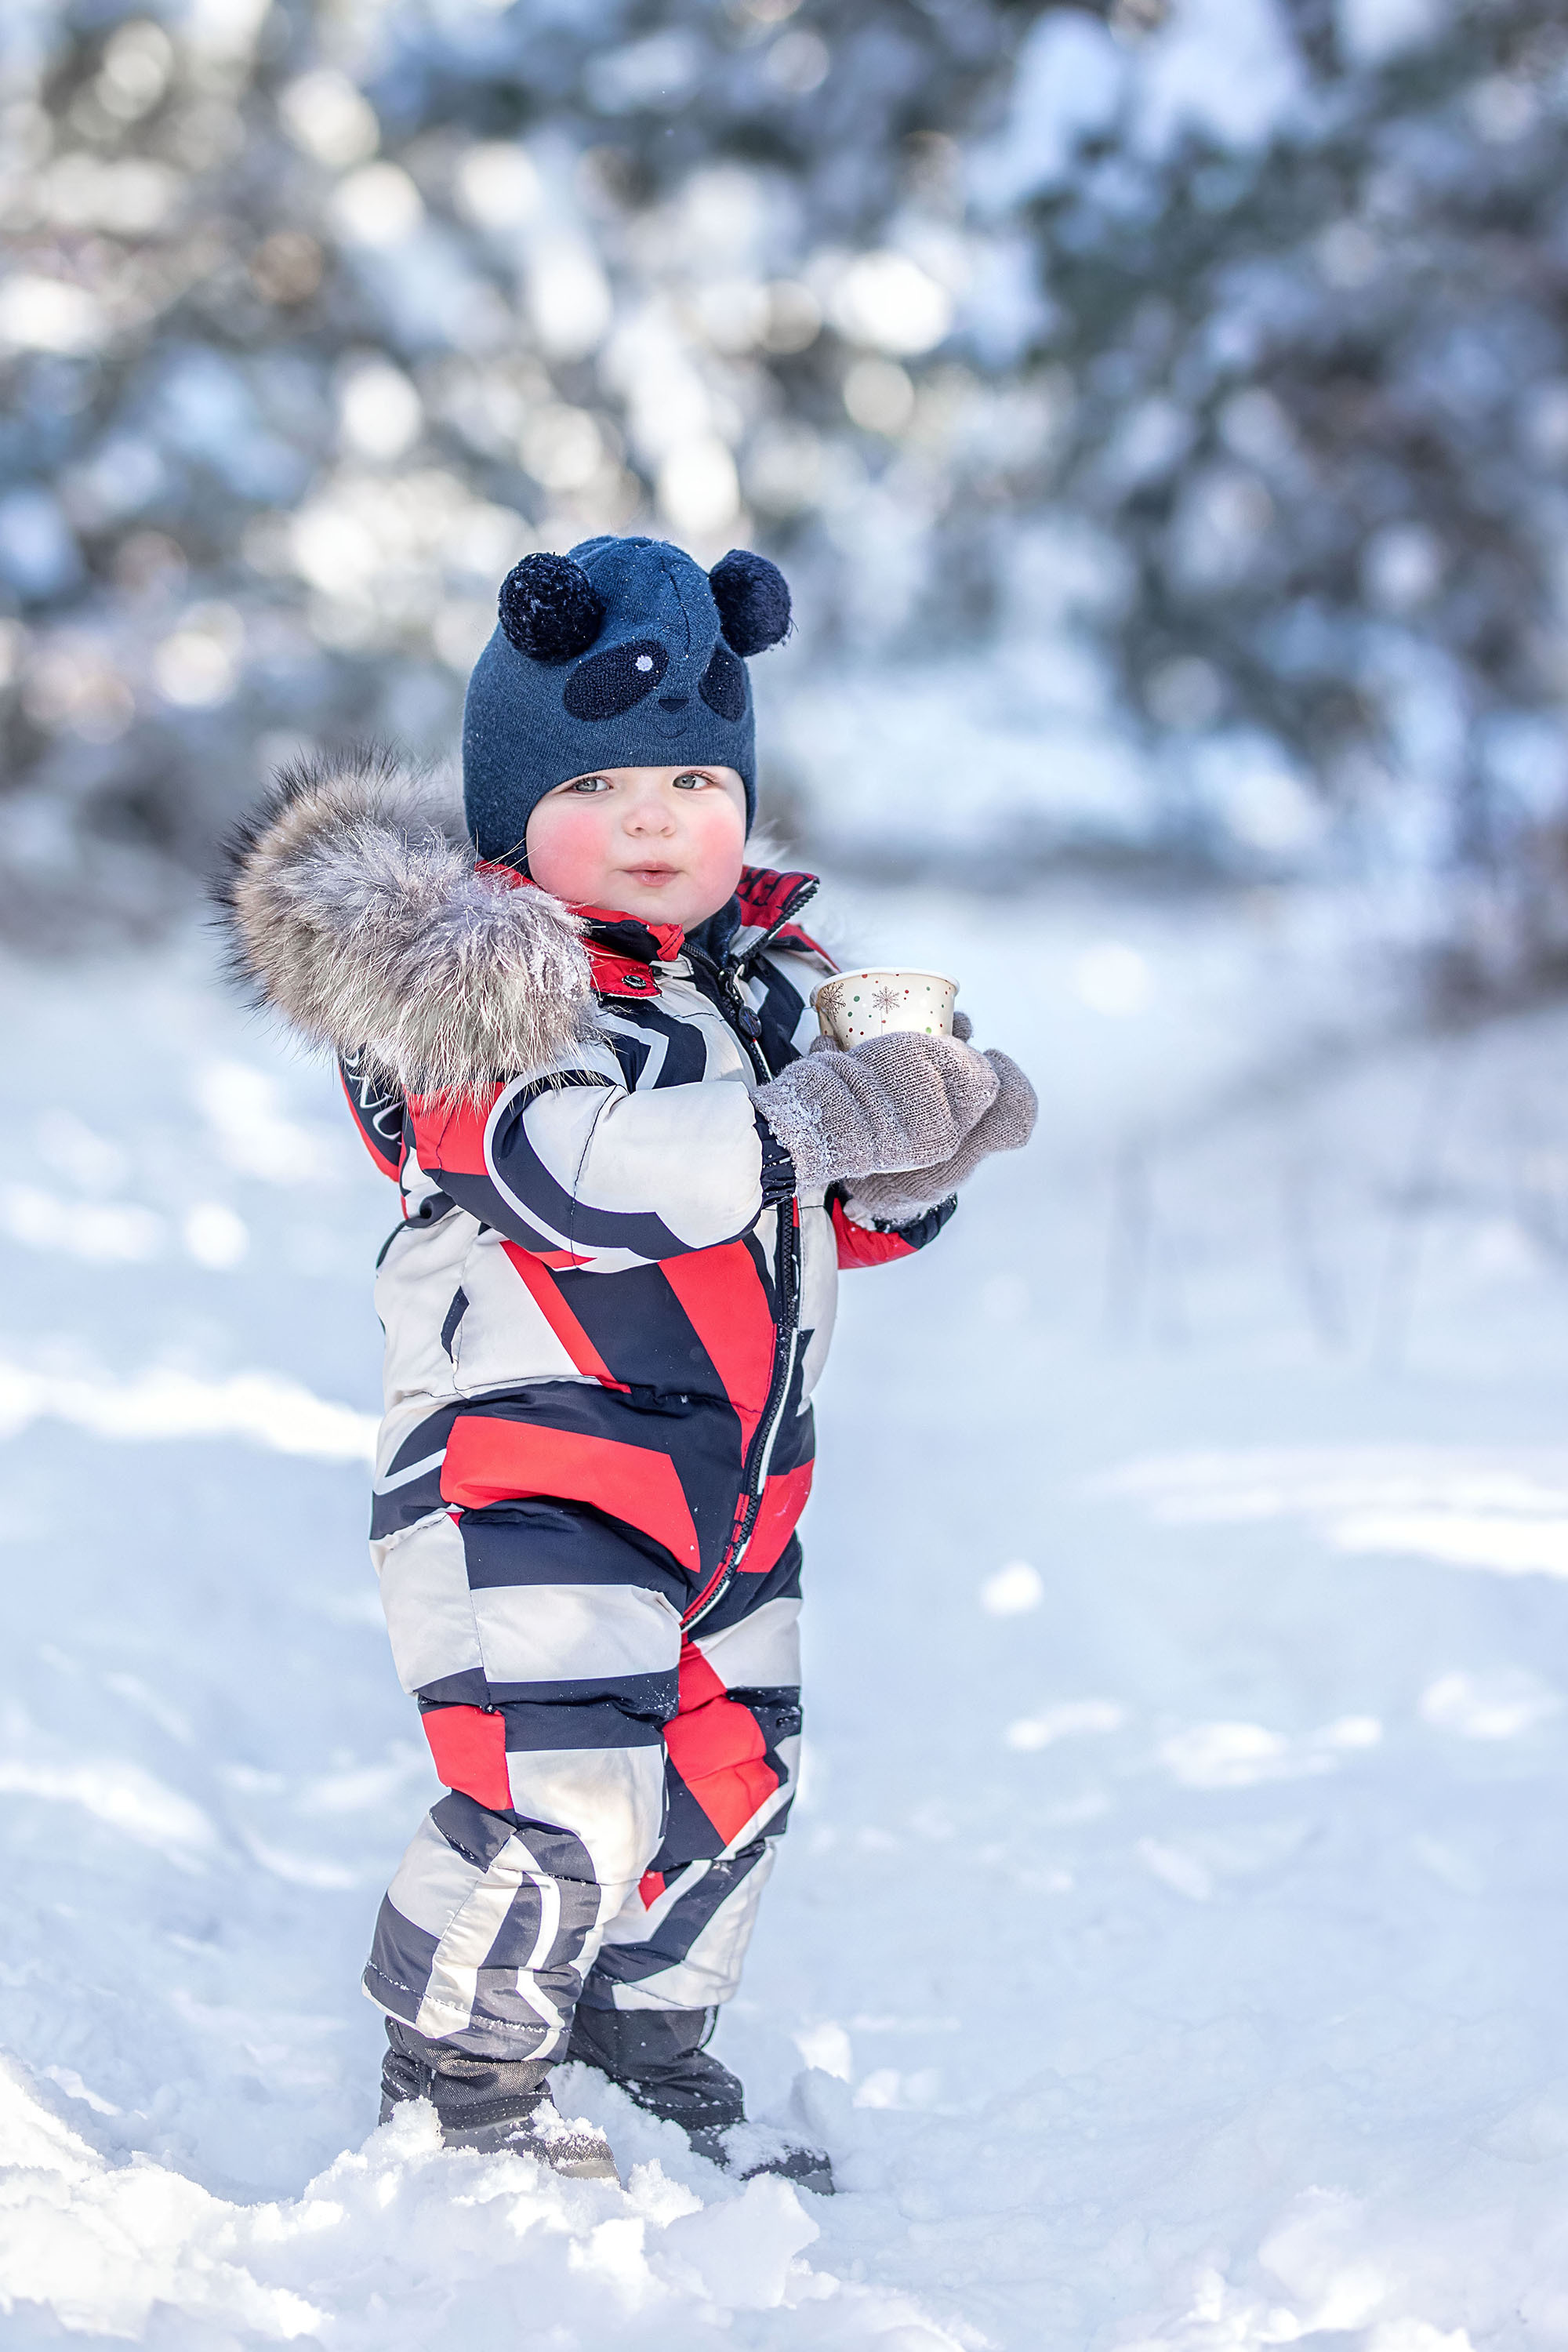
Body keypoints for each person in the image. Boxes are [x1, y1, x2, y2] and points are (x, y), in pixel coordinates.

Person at [219, 535, 1036, 2187]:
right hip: (531, 1473)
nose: (660, 817)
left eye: (693, 776)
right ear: (516, 810)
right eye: (606, 782)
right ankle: (460, 2088)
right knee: (559, 1794)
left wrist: (911, 1156)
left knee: (732, 1787)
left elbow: (814, 1218)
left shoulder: (760, 991)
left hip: (734, 1488)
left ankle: (638, 2045)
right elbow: (568, 1171)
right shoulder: (474, 996)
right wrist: (803, 1122)